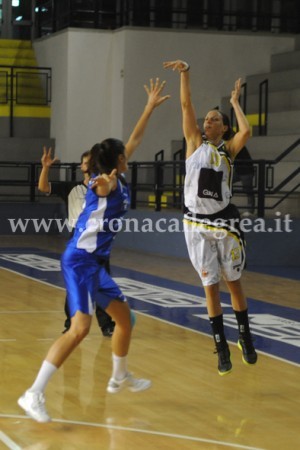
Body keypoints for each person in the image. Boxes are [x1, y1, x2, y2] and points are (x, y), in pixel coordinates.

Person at [18, 77, 170, 422]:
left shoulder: (118, 172)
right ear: (116, 159)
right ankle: (33, 393)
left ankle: (119, 377)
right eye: (124, 154)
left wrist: (148, 107)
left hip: (96, 263)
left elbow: (135, 139)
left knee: (124, 320)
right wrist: (101, 182)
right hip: (80, 261)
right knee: (79, 328)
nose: (129, 153)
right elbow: (100, 183)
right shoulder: (101, 182)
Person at [163, 60, 257, 375]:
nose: (207, 122)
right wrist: (186, 73)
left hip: (224, 222)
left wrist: (234, 102)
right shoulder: (193, 144)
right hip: (196, 224)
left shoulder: (228, 150)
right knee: (211, 287)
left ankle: (245, 336)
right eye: (206, 119)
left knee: (234, 283)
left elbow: (247, 130)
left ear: (223, 127)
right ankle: (221, 347)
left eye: (214, 119)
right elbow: (185, 104)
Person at [38, 148, 116, 337]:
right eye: (82, 162)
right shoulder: (71, 188)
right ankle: (71, 323)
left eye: (85, 161)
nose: (82, 164)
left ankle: (106, 324)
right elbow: (43, 188)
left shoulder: (103, 187)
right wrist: (45, 168)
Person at [232, 144, 255, 216]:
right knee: (225, 182)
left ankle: (251, 211)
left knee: (248, 190)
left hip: (246, 171)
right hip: (239, 171)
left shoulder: (238, 145)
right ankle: (225, 202)